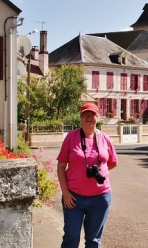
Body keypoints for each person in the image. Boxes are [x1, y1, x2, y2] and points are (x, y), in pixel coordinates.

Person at [57, 103, 118, 248]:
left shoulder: (105, 139)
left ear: (98, 118)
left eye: (92, 115)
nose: (88, 118)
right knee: (71, 238)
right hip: (74, 198)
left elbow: (113, 162)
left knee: (94, 241)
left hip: (100, 198)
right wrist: (65, 193)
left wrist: (101, 172)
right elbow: (60, 167)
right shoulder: (71, 137)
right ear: (80, 118)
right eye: (85, 115)